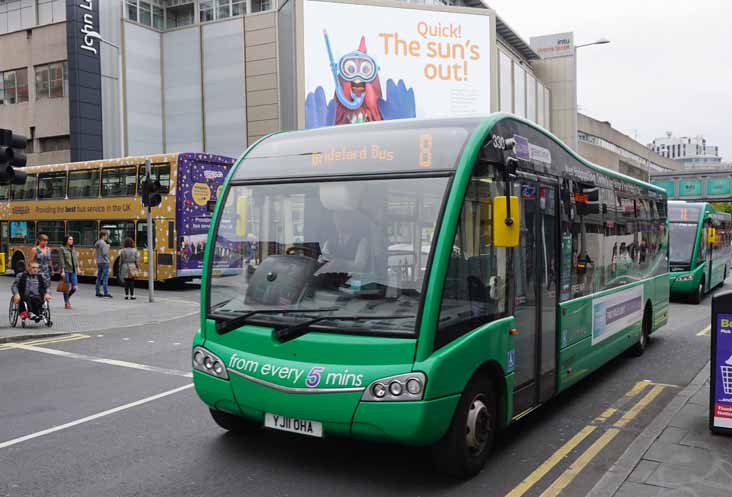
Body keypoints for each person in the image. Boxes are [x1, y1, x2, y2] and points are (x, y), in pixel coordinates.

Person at [59, 235, 80, 309]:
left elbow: (75, 259)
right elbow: (62, 260)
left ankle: (67, 298)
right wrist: (62, 271)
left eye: (72, 239)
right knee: (66, 288)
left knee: (74, 287)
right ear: (66, 240)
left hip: (73, 270)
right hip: (66, 270)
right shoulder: (62, 249)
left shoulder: (73, 248)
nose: (72, 241)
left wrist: (78, 267)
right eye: (70, 239)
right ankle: (67, 302)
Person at [95, 230, 112, 298]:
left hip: (99, 261)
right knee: (105, 278)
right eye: (106, 235)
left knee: (99, 277)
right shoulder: (103, 243)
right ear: (103, 236)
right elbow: (105, 253)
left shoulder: (98, 242)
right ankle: (106, 292)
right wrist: (108, 246)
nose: (107, 237)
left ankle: (97, 291)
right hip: (104, 262)